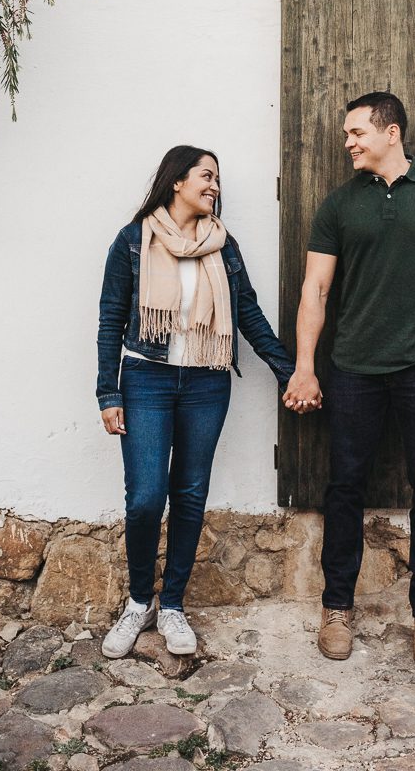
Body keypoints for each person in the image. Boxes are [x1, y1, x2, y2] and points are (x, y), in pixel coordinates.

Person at [283, 92, 415, 668]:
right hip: (353, 369)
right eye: (347, 134)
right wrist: (306, 367)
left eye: (357, 132)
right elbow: (315, 291)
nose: (348, 142)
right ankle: (337, 609)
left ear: (391, 132)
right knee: (344, 488)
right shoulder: (339, 205)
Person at [97, 145, 294, 659]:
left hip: (207, 382)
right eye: (206, 176)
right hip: (146, 380)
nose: (214, 186)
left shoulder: (223, 246)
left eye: (218, 179)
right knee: (145, 499)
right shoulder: (133, 241)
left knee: (189, 494)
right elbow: (110, 320)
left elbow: (247, 314)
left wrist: (288, 372)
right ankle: (139, 600)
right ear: (176, 181)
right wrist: (107, 391)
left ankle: (173, 606)